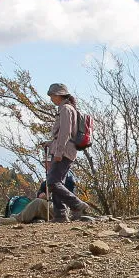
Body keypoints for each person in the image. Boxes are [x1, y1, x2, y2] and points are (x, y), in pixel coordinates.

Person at [45, 83, 93, 222]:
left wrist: (58, 152)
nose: (51, 99)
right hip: (66, 149)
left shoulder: (66, 109)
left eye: (52, 96)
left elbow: (65, 133)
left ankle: (77, 204)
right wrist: (50, 144)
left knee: (53, 182)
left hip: (64, 151)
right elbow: (65, 134)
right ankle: (60, 215)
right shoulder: (68, 108)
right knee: (58, 182)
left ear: (59, 95)